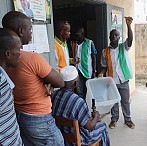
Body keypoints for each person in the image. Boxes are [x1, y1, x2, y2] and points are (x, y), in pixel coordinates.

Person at [2, 11, 65, 145]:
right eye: (30, 29)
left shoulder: (5, 59)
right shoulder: (30, 58)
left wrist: (46, 82)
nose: (31, 32)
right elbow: (60, 81)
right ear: (21, 31)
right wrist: (48, 82)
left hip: (19, 115)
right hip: (39, 118)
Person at [51, 66, 110, 146]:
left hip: (60, 137)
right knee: (102, 125)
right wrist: (96, 116)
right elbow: (90, 127)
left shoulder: (53, 95)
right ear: (76, 83)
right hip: (77, 140)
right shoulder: (78, 102)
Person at [98, 17, 135, 129]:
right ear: (109, 37)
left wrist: (128, 26)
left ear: (119, 38)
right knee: (114, 101)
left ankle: (128, 120)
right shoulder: (105, 51)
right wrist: (101, 73)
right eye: (113, 35)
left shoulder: (123, 47)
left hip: (123, 78)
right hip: (112, 80)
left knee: (125, 101)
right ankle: (114, 120)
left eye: (117, 35)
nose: (115, 37)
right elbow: (104, 66)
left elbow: (130, 39)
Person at [0, 28, 23, 146]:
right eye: (18, 49)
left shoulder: (5, 79)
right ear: (8, 54)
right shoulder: (1, 83)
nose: (21, 52)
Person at [70, 26, 97, 99]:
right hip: (77, 71)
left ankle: (91, 107)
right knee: (79, 91)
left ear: (82, 34)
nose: (76, 35)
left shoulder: (90, 43)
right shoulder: (73, 43)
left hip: (87, 71)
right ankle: (82, 106)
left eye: (77, 34)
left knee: (90, 91)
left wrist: (94, 71)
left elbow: (94, 57)